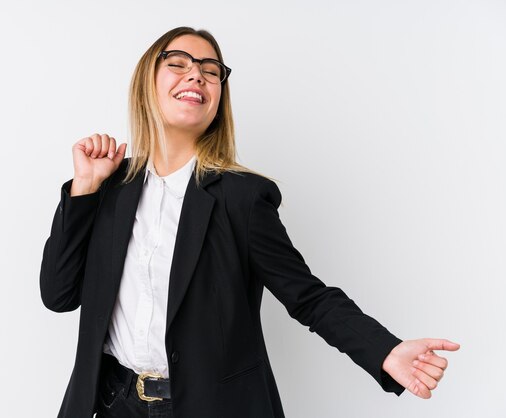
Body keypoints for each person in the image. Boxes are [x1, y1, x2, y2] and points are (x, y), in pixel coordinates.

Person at [39, 26, 460, 418]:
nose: (197, 76)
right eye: (179, 63)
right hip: (114, 403)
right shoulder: (107, 188)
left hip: (209, 406)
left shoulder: (241, 198)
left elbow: (308, 297)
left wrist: (384, 351)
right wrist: (84, 191)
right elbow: (59, 295)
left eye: (211, 71)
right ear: (147, 81)